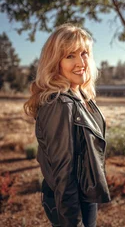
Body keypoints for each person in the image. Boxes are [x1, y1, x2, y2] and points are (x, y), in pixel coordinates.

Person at [24, 23, 111, 227]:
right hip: (71, 202)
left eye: (84, 53)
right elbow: (62, 172)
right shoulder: (60, 104)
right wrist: (73, 221)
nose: (81, 62)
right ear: (56, 63)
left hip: (83, 196)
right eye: (70, 56)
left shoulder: (80, 95)